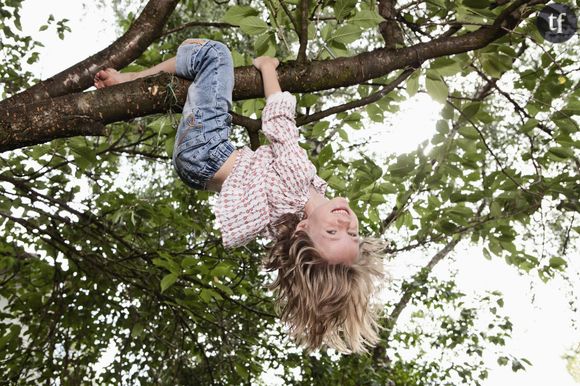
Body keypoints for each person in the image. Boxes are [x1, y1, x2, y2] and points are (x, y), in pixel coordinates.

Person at [94, 38, 388, 354]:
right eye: (353, 233)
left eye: (333, 233)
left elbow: (279, 124)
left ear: (303, 231)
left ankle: (128, 79)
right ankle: (132, 84)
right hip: (201, 165)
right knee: (204, 80)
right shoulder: (298, 207)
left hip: (205, 150)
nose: (344, 222)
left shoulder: (297, 186)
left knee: (214, 55)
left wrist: (267, 68)